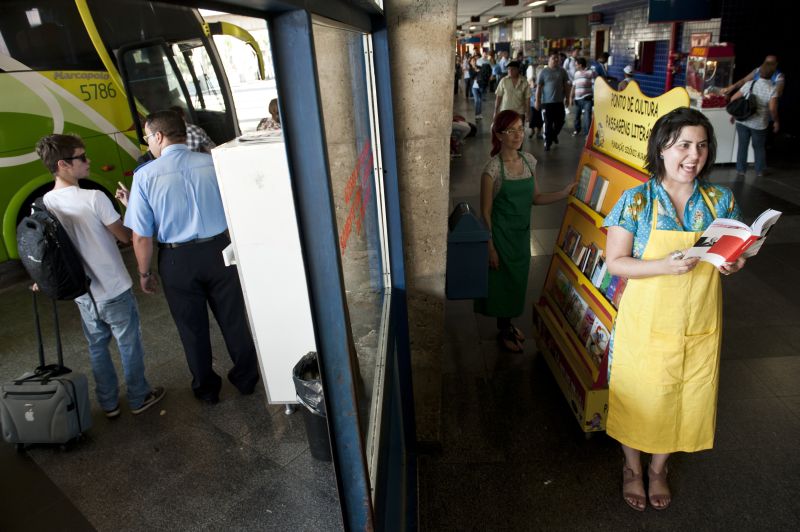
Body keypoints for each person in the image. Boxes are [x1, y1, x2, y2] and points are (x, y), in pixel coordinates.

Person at [602, 107, 745, 512]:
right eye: (683, 144)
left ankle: (659, 469)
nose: (693, 154)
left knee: (685, 393)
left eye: (701, 146)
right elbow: (616, 261)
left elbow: (732, 255)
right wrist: (663, 266)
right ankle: (632, 467)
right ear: (661, 149)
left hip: (699, 317)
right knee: (640, 393)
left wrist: (735, 262)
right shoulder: (635, 201)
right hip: (646, 320)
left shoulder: (720, 199)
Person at [121, 110, 260, 404]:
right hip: (221, 252)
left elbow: (141, 236)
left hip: (177, 260)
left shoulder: (144, 176)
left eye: (148, 138)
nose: (148, 145)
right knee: (234, 320)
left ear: (159, 136)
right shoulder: (213, 163)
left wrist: (144, 273)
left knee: (192, 328)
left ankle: (207, 389)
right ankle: (247, 379)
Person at [34, 134, 165, 418]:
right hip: (113, 287)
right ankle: (139, 396)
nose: (88, 161)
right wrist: (130, 205)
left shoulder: (47, 201)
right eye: (82, 157)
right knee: (128, 343)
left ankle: (107, 403)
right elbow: (129, 237)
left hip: (83, 291)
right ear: (63, 164)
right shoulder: (94, 198)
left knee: (97, 347)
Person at [474, 110, 573, 352]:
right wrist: (490, 247)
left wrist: (564, 193)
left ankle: (507, 325)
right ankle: (504, 329)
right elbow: (484, 213)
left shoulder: (529, 160)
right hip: (500, 236)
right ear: (499, 134)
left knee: (517, 284)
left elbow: (536, 197)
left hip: (521, 235)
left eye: (521, 128)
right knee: (501, 285)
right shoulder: (492, 170)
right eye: (511, 130)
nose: (518, 134)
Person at [728, 61, 781, 177]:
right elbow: (772, 109)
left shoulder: (750, 84)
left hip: (742, 120)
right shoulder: (772, 89)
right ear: (772, 75)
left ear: (759, 72)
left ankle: (741, 170)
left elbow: (733, 99)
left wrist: (733, 115)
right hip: (759, 124)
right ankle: (760, 170)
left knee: (742, 145)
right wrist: (776, 121)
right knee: (759, 147)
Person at [536, 53, 570, 151]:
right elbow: (538, 87)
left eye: (557, 59)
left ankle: (554, 135)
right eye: (553, 58)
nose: (555, 60)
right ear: (549, 60)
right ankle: (548, 142)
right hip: (547, 103)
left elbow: (566, 86)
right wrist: (537, 101)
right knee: (548, 123)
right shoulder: (543, 72)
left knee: (560, 121)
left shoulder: (562, 71)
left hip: (559, 102)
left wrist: (567, 98)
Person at [493, 61, 529, 126]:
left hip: (519, 112)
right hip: (506, 111)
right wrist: (495, 112)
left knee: (518, 133)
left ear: (518, 70)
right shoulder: (503, 81)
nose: (510, 71)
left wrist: (528, 113)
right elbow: (499, 97)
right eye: (509, 69)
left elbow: (527, 99)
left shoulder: (524, 82)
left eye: (513, 69)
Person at [569, 57, 596, 136]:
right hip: (577, 99)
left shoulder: (591, 72)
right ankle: (577, 130)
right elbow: (574, 86)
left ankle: (587, 134)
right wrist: (571, 97)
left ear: (580, 65)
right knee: (576, 117)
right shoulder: (576, 74)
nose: (575, 66)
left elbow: (595, 84)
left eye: (576, 65)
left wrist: (595, 97)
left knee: (587, 117)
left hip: (587, 98)